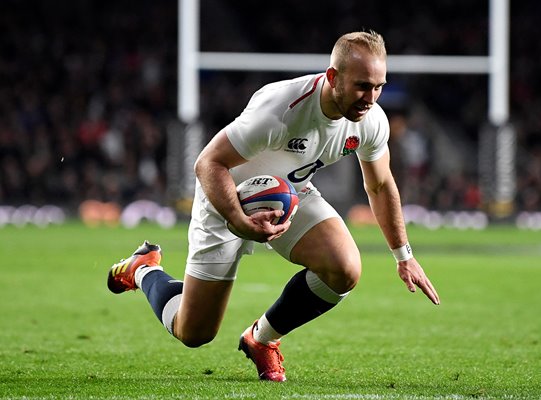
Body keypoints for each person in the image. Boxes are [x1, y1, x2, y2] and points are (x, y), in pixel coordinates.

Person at [107, 30, 440, 382]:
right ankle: (143, 269)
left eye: (378, 86)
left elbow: (380, 183)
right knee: (193, 332)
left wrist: (404, 256)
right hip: (226, 194)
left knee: (344, 269)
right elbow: (208, 163)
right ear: (333, 77)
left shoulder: (371, 120)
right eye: (361, 86)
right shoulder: (280, 110)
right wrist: (237, 219)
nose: (370, 97)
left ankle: (261, 339)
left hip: (288, 194)